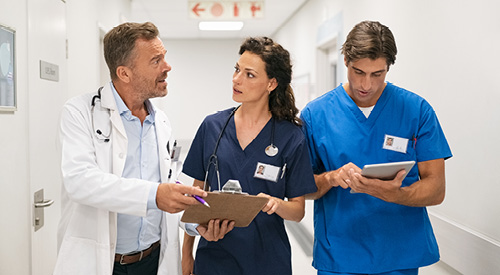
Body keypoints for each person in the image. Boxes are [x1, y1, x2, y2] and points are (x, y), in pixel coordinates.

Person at [54, 22, 208, 275]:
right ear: (124, 73)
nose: (167, 67)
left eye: (164, 58)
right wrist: (155, 194)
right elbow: (80, 181)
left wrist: (195, 224)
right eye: (156, 60)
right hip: (102, 261)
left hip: (152, 260)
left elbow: (167, 191)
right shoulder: (79, 112)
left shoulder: (161, 122)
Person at [301, 21, 453, 275]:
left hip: (399, 254)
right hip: (341, 253)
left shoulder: (416, 111)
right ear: (346, 60)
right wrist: (331, 178)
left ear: (388, 68)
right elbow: (301, 188)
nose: (366, 85)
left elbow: (436, 189)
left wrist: (395, 194)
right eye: (358, 71)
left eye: (377, 74)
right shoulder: (316, 115)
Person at [181, 37, 317, 275]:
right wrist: (187, 254)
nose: (236, 79)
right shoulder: (212, 127)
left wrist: (273, 204)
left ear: (271, 83)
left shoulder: (291, 136)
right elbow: (197, 197)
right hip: (214, 257)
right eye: (237, 69)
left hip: (267, 260)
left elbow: (297, 211)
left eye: (249, 74)